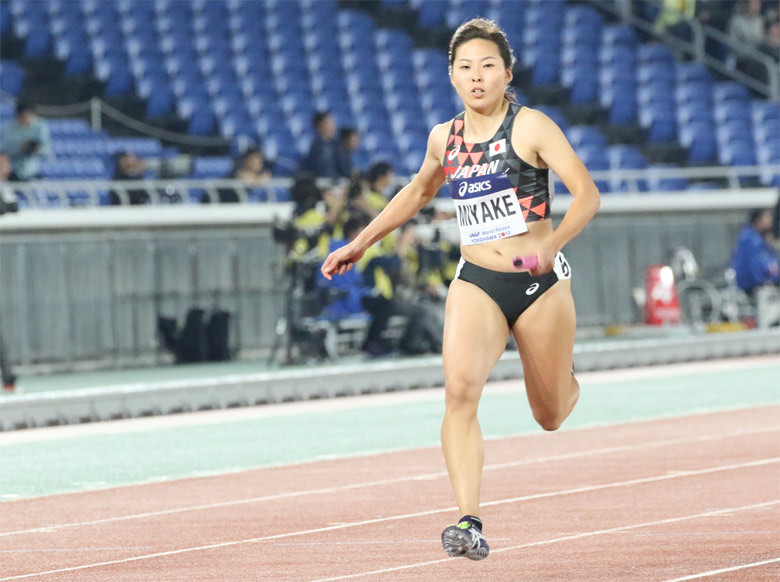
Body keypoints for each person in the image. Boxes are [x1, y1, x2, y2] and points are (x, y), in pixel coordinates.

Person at [321, 18, 600, 560]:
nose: (477, 77)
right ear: (451, 76)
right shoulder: (443, 138)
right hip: (478, 280)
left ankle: (564, 377)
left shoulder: (531, 127)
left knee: (550, 415)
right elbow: (418, 190)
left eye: (487, 66)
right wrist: (361, 241)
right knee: (459, 389)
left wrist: (552, 244)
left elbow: (587, 195)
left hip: (538, 282)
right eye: (466, 67)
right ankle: (468, 520)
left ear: (506, 73)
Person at [731, 208, 780, 295]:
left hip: (766, 282)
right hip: (753, 285)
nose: (771, 220)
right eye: (767, 217)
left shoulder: (760, 237)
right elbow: (753, 263)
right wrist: (762, 281)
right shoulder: (751, 238)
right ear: (758, 220)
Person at [0, 101, 52, 181]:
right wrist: (20, 147)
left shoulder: (40, 126)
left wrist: (37, 148)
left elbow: (47, 152)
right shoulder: (9, 129)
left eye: (30, 115)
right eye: (24, 115)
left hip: (32, 172)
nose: (27, 118)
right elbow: (2, 150)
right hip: (13, 172)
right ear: (18, 115)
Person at [298, 111, 343, 179]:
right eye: (330, 123)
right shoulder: (319, 147)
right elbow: (324, 170)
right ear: (320, 125)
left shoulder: (334, 144)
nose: (334, 126)